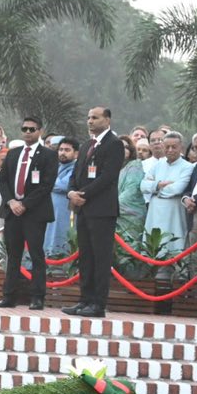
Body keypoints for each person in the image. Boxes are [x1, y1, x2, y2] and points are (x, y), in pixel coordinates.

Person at [65, 107, 126, 318]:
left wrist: (83, 194)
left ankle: (98, 304)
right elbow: (76, 173)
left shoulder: (114, 144)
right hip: (82, 208)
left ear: (107, 120)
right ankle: (85, 300)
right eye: (89, 117)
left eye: (95, 118)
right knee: (86, 257)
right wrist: (71, 192)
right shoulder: (87, 145)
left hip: (101, 210)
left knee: (100, 258)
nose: (90, 121)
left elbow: (108, 177)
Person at [0, 116, 58, 309]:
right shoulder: (13, 154)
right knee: (13, 255)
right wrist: (11, 201)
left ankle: (37, 297)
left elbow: (47, 184)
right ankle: (9, 296)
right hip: (12, 211)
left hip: (34, 212)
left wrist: (25, 204)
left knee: (36, 254)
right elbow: (2, 180)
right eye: (25, 129)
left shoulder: (48, 155)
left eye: (32, 129)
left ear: (40, 131)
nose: (28, 132)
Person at [141, 131, 190, 250]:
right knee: (152, 247)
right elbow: (143, 186)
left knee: (174, 245)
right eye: (167, 147)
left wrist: (154, 188)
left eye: (174, 147)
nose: (170, 150)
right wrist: (158, 185)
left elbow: (177, 189)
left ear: (181, 148)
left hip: (174, 211)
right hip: (154, 211)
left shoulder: (188, 166)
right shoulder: (158, 164)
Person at [45, 138, 79, 259]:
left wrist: (48, 182)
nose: (62, 153)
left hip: (66, 213)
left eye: (67, 150)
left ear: (76, 153)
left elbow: (64, 185)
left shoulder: (77, 168)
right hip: (51, 212)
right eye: (60, 150)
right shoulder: (56, 166)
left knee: (63, 242)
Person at [115, 138, 147, 239]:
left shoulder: (135, 165)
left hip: (131, 213)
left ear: (131, 150)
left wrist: (111, 208)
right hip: (114, 216)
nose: (122, 149)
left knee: (130, 246)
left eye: (126, 147)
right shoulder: (112, 168)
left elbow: (131, 190)